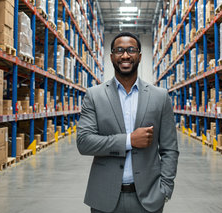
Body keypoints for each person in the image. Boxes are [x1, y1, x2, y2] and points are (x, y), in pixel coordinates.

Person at [77, 32, 179, 213]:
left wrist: (165, 189)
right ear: (111, 57)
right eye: (119, 50)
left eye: (131, 50)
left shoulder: (160, 97)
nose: (125, 55)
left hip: (148, 199)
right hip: (104, 198)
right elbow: (84, 142)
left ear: (139, 56)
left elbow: (169, 148)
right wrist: (129, 140)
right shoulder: (94, 95)